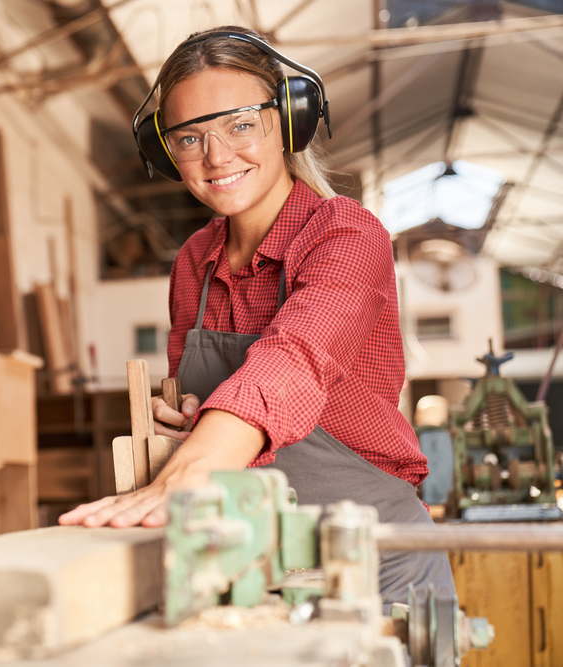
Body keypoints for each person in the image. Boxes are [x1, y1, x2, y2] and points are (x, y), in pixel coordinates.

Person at [59, 26, 455, 605]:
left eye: (241, 124)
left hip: (375, 560)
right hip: (252, 562)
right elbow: (196, 402)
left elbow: (295, 359)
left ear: (290, 121)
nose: (217, 157)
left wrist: (195, 464)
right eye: (189, 139)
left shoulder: (347, 233)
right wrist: (184, 417)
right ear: (165, 152)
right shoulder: (194, 261)